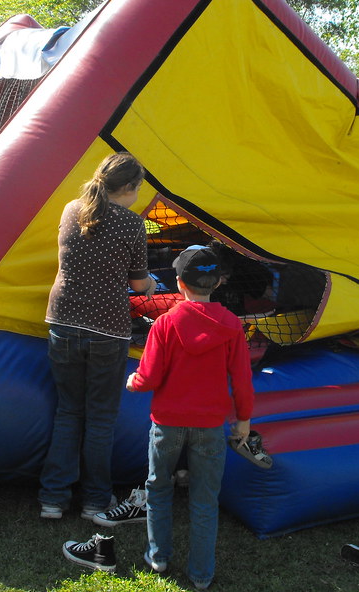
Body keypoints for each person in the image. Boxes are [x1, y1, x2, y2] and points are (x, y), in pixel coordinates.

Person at [124, 245, 254, 591]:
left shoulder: (166, 323)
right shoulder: (231, 325)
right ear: (218, 283)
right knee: (204, 498)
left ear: (179, 283)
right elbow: (242, 378)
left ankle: (158, 556)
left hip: (167, 422)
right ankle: (201, 574)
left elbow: (148, 377)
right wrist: (243, 419)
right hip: (210, 426)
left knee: (158, 486)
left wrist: (133, 381)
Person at [40, 152, 157, 522]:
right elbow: (138, 284)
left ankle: (53, 499)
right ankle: (95, 501)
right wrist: (151, 284)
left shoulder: (71, 210)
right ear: (129, 188)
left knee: (68, 412)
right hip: (106, 328)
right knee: (101, 419)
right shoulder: (132, 224)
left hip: (63, 321)